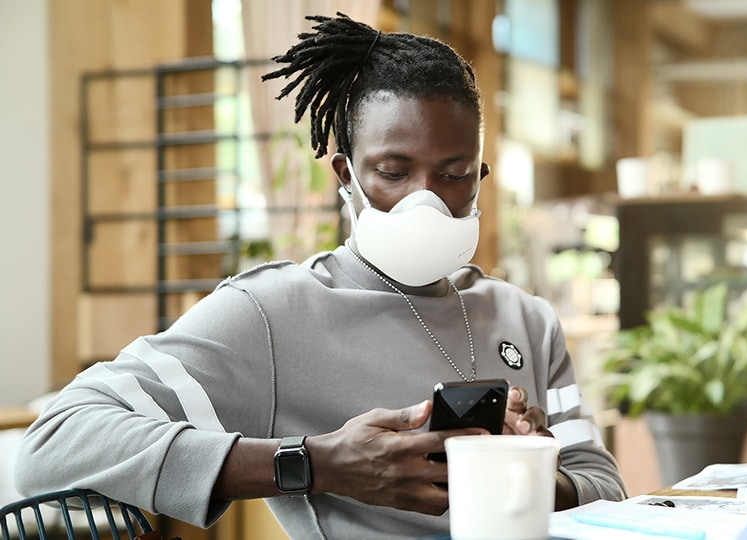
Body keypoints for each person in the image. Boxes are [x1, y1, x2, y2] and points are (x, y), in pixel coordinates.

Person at [15, 13, 626, 539]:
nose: (426, 199)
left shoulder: (526, 319)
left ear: (480, 177)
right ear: (345, 175)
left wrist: (530, 469)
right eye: (393, 172)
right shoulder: (273, 312)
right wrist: (315, 464)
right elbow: (55, 442)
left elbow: (603, 484)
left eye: (454, 174)